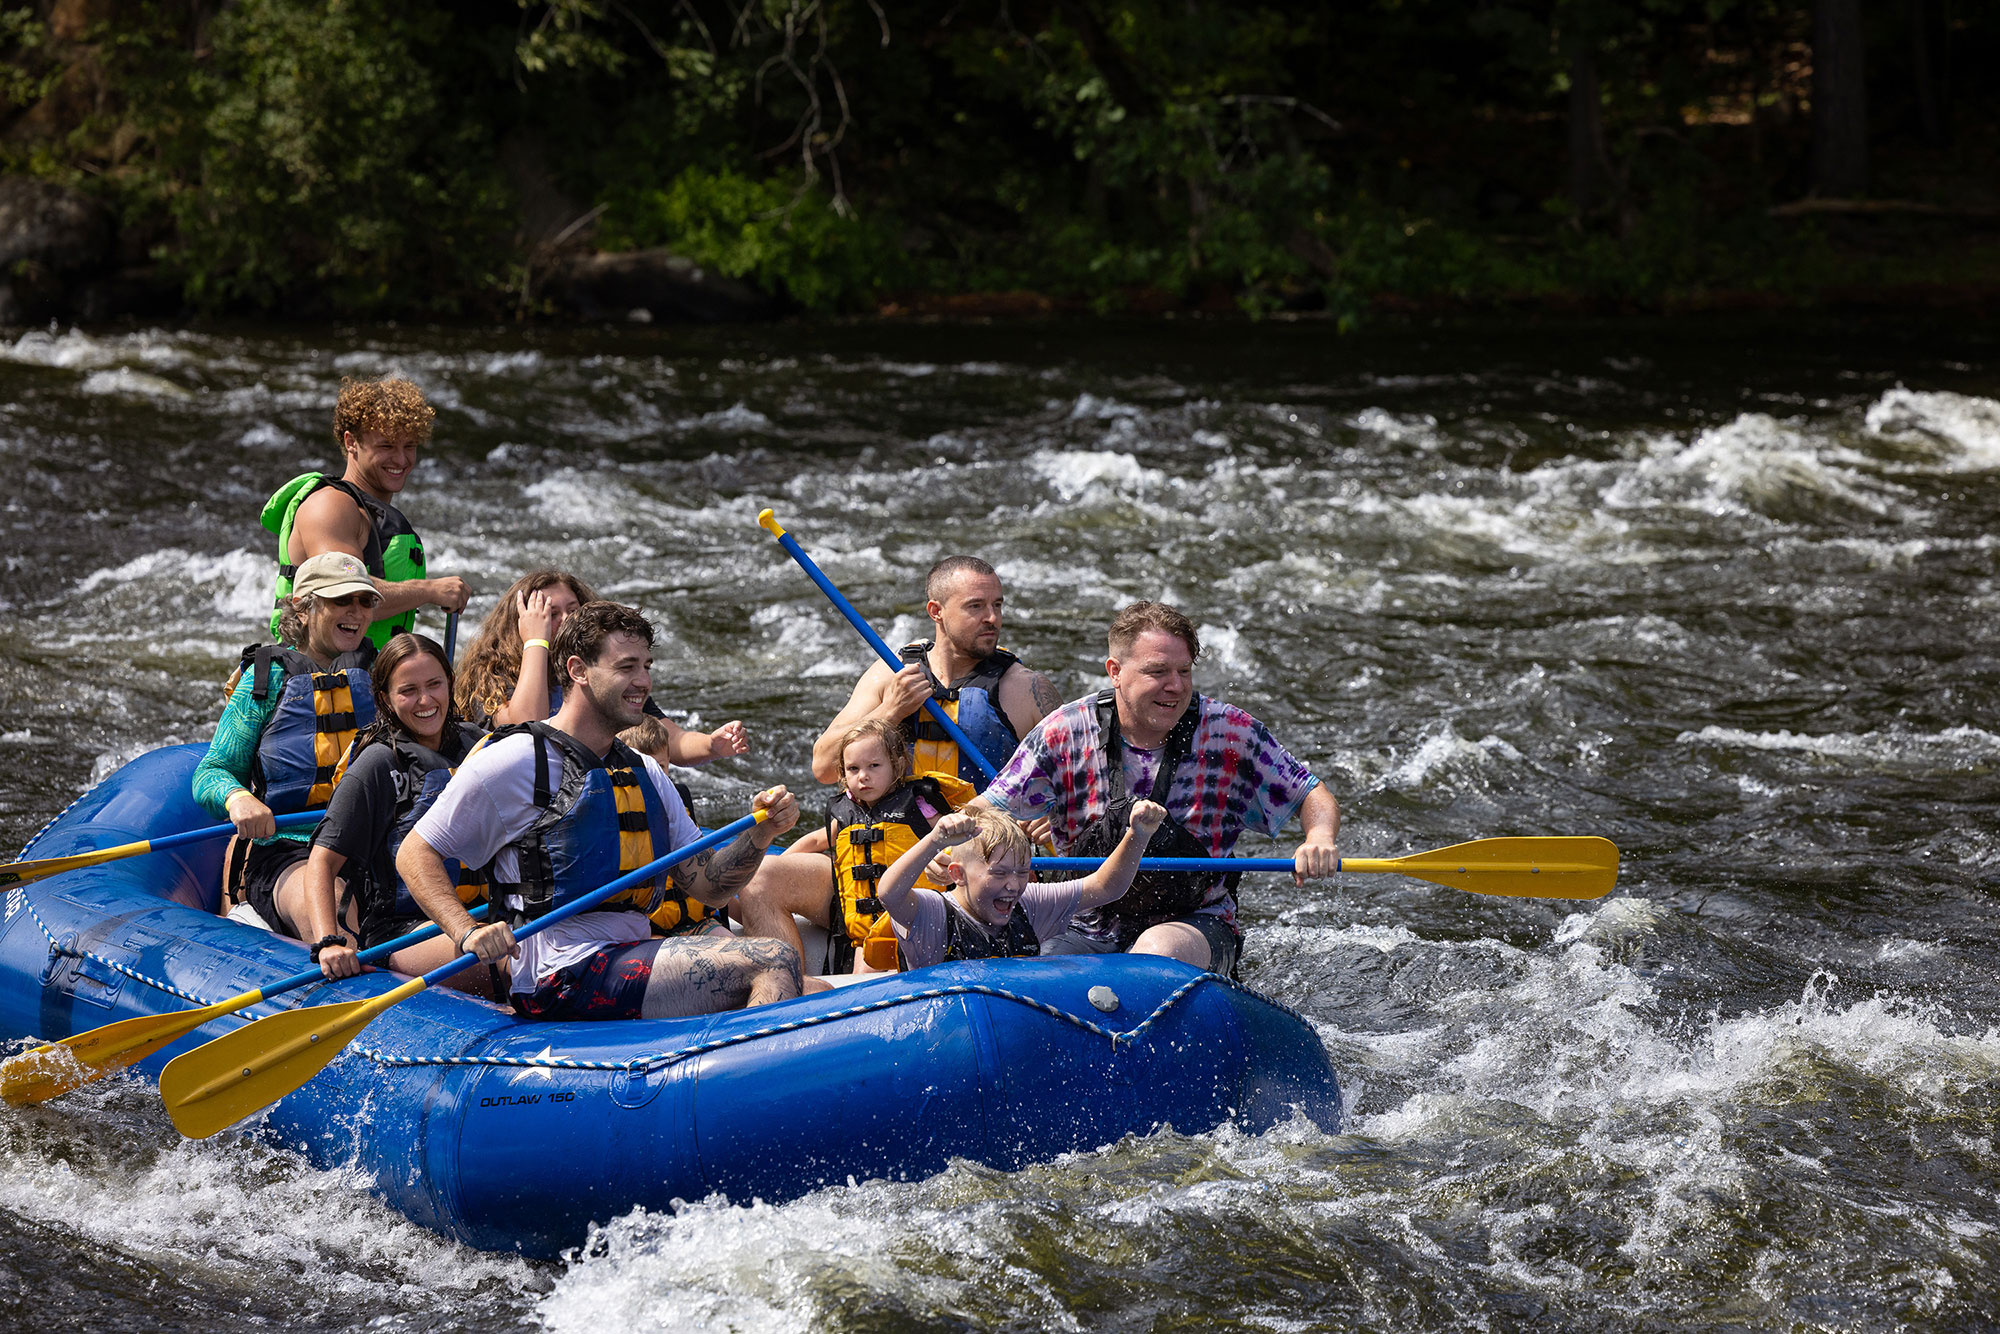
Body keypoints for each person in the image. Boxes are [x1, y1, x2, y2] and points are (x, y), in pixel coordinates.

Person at [397, 601, 804, 1020]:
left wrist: (762, 834)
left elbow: (709, 886)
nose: (643, 681)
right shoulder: (519, 759)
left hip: (629, 953)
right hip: (557, 971)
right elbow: (415, 854)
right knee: (773, 959)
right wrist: (467, 930)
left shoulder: (643, 768)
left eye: (647, 665)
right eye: (626, 667)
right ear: (578, 671)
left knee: (782, 967)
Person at [971, 601, 1339, 974]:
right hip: (1083, 923)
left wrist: (1319, 837)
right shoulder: (1063, 732)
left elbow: (1310, 793)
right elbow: (988, 810)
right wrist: (954, 849)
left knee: (1154, 953)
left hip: (1194, 923)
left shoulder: (1232, 732)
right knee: (1041, 968)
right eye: (1158, 671)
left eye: (1184, 671)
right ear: (1115, 672)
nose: (1175, 686)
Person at [194, 551, 381, 937]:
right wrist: (238, 798)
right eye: (341, 600)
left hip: (372, 846)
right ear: (302, 609)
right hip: (291, 849)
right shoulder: (265, 681)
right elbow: (213, 771)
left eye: (365, 601)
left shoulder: (382, 675)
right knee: (333, 916)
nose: (357, 611)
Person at [295, 633, 493, 990]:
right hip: (403, 932)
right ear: (385, 698)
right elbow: (322, 862)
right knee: (505, 959)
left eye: (435, 684)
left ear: (450, 683)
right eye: (408, 691)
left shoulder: (476, 744)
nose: (425, 700)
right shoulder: (377, 763)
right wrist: (329, 941)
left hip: (481, 914)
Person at [737, 719, 975, 974]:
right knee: (863, 972)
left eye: (874, 766)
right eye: (853, 768)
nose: (863, 776)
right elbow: (815, 841)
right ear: (842, 773)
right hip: (866, 926)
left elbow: (957, 837)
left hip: (914, 918)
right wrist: (777, 866)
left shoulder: (920, 806)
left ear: (897, 765)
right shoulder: (847, 814)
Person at [809, 556, 1057, 791]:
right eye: (976, 606)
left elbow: (1081, 781)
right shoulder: (890, 674)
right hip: (898, 832)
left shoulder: (1026, 689)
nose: (992, 618)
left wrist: (1046, 811)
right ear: (936, 611)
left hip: (984, 832)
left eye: (997, 605)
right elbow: (824, 769)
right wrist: (891, 711)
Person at [455, 568, 749, 766]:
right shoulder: (493, 674)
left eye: (573, 609)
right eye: (549, 613)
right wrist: (536, 642)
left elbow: (666, 739)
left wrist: (711, 745)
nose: (567, 620)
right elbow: (525, 732)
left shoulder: (603, 674)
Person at [263, 376, 471, 649]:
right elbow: (347, 589)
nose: (401, 459)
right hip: (317, 678)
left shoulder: (370, 510)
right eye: (386, 446)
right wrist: (430, 591)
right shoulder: (330, 506)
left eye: (409, 446)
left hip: (365, 672)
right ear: (351, 442)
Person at [874, 802, 1167, 970]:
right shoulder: (933, 914)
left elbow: (1106, 887)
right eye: (999, 873)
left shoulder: (1028, 904)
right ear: (957, 874)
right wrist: (935, 840)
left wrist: (1138, 835)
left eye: (1022, 872)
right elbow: (889, 893)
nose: (1013, 885)